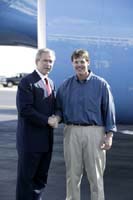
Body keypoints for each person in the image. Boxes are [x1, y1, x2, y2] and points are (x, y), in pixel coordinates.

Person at [54, 49, 117, 200]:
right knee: (72, 174)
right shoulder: (65, 86)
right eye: (76, 62)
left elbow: (109, 110)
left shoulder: (101, 85)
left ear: (88, 62)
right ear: (72, 64)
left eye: (82, 61)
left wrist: (109, 136)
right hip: (71, 132)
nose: (79, 65)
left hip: (95, 132)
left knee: (95, 175)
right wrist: (56, 117)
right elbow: (59, 109)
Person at [16, 48, 56, 200]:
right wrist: (47, 120)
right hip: (30, 143)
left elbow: (53, 107)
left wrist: (57, 117)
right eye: (45, 60)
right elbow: (25, 110)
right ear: (37, 61)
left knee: (40, 181)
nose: (48, 64)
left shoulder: (50, 83)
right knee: (26, 182)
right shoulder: (27, 82)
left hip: (46, 142)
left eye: (51, 61)